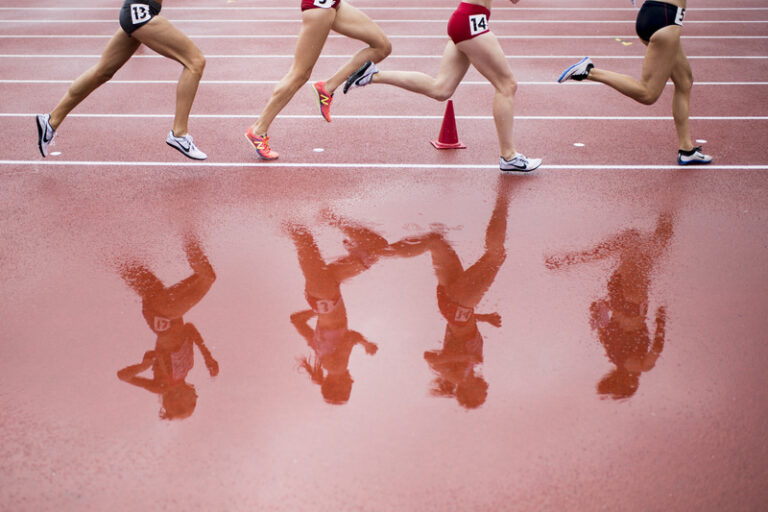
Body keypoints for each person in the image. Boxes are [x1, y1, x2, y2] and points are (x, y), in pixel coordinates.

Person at [343, 0, 541, 173]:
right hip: (471, 23)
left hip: (464, 19)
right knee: (507, 86)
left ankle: (372, 75)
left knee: (441, 89)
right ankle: (509, 156)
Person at [36, 0, 208, 160]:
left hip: (140, 11)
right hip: (141, 12)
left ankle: (51, 121)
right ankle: (179, 133)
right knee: (195, 62)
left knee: (102, 72)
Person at [557, 0, 712, 165]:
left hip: (653, 13)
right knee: (647, 94)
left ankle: (686, 150)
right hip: (666, 19)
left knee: (684, 81)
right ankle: (590, 72)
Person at [545, 213, 673, 400]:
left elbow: (656, 350)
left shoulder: (637, 366)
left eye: (632, 385)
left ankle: (668, 206)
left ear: (627, 382)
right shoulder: (613, 355)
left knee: (639, 249)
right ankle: (668, 207)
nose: (636, 382)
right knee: (647, 251)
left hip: (631, 303)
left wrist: (661, 321)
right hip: (620, 298)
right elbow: (601, 326)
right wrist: (600, 307)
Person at [244, 0, 391, 160]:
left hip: (333, 3)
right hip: (319, 6)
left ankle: (327, 88)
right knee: (299, 74)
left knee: (382, 47)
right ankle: (258, 130)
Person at [287, 216, 389, 404]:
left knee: (300, 233)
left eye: (348, 388)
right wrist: (319, 310)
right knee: (377, 249)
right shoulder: (321, 355)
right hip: (321, 292)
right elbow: (296, 320)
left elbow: (350, 337)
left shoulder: (337, 367)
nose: (352, 382)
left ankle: (291, 206)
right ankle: (327, 217)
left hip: (326, 291)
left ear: (338, 385)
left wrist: (366, 344)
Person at [116, 236, 218, 419]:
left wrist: (144, 365)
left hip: (163, 314)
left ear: (177, 401)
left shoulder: (162, 386)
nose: (196, 397)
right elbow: (189, 329)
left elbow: (123, 376)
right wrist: (207, 356)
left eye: (192, 403)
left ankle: (185, 224)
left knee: (207, 277)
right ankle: (106, 237)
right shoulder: (187, 369)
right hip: (167, 312)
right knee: (123, 261)